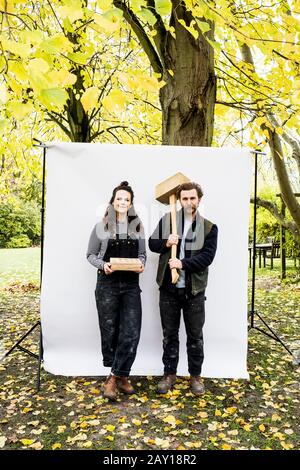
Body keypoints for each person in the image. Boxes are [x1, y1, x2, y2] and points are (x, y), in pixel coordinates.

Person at [149, 182, 218, 395]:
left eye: (192, 198)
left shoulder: (209, 227)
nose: (188, 202)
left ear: (199, 199)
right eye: (185, 198)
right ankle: (169, 374)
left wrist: (182, 264)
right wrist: (166, 243)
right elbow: (152, 244)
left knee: (195, 336)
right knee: (169, 334)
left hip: (194, 291)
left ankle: (195, 376)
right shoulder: (168, 220)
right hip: (169, 289)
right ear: (179, 200)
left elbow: (207, 257)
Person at [87, 181, 146, 401]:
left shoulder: (137, 226)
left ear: (131, 204)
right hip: (107, 284)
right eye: (119, 199)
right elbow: (90, 255)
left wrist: (141, 264)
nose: (122, 202)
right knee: (110, 331)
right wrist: (104, 266)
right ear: (113, 201)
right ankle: (122, 376)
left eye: (127, 200)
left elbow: (142, 256)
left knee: (131, 331)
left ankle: (113, 378)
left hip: (131, 284)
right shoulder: (101, 226)